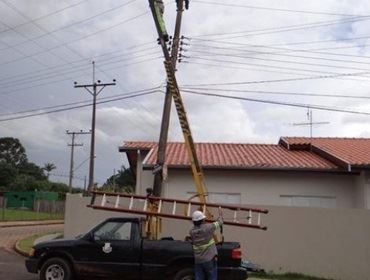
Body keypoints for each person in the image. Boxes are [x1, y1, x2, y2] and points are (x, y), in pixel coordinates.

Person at [189, 210, 223, 280]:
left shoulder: (191, 231)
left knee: (199, 277)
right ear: (202, 220)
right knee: (212, 277)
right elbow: (220, 222)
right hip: (209, 258)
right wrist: (220, 215)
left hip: (198, 260)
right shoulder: (208, 228)